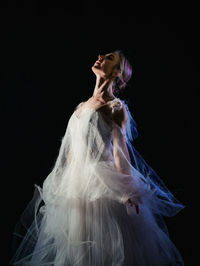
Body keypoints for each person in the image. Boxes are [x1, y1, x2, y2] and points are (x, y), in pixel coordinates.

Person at [10, 50, 185, 266]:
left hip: (102, 186)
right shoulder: (82, 107)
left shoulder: (115, 108)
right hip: (77, 187)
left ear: (116, 73)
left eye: (110, 58)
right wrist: (64, 184)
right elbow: (73, 152)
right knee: (76, 249)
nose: (101, 56)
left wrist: (127, 190)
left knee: (103, 248)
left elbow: (120, 152)